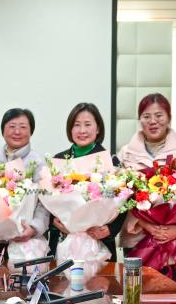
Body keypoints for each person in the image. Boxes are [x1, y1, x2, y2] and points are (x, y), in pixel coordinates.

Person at [117, 93, 176, 279]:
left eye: (159, 115)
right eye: (146, 116)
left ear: (169, 118)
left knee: (171, 293)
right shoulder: (125, 154)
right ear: (139, 120)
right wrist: (146, 224)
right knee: (136, 291)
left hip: (174, 241)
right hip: (138, 239)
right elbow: (119, 198)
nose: (153, 121)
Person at [49, 102, 124, 260]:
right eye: (77, 125)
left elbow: (124, 201)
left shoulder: (110, 161)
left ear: (98, 128)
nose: (82, 130)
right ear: (70, 129)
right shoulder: (59, 160)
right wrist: (55, 222)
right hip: (65, 240)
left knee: (101, 277)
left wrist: (110, 229)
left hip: (99, 241)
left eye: (88, 124)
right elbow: (49, 199)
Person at [0, 107, 50, 260]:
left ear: (31, 132)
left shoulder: (38, 163)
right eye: (12, 126)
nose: (17, 132)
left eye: (23, 127)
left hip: (28, 241)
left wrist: (34, 228)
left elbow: (44, 203)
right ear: (3, 130)